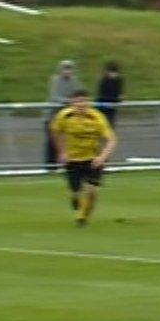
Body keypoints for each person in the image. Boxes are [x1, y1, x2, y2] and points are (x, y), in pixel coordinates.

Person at [49, 89, 117, 226]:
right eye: (78, 102)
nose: (81, 105)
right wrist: (62, 152)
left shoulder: (96, 117)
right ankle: (79, 210)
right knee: (75, 193)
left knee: (92, 191)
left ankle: (82, 217)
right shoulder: (65, 116)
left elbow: (111, 139)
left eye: (84, 101)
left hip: (92, 159)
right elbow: (55, 132)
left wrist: (102, 157)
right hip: (73, 159)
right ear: (72, 103)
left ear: (88, 103)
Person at [45, 60, 81, 170]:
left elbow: (78, 95)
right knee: (52, 142)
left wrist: (73, 102)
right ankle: (50, 167)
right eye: (65, 69)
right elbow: (54, 97)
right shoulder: (55, 80)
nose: (67, 71)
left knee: (68, 141)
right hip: (54, 116)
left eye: (69, 69)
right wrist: (69, 101)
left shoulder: (74, 81)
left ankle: (69, 164)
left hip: (67, 117)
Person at [96, 61, 125, 128]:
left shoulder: (119, 79)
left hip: (112, 106)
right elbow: (101, 95)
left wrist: (120, 97)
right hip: (103, 105)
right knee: (102, 123)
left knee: (110, 125)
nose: (113, 75)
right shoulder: (104, 80)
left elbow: (120, 92)